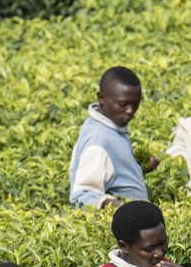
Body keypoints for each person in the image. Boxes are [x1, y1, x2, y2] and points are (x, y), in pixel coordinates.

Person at [69, 66, 163, 208]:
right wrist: (126, 208)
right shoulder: (98, 141)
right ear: (102, 98)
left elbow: (111, 173)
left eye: (135, 104)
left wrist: (140, 168)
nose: (130, 111)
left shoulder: (108, 124)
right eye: (123, 104)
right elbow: (81, 197)